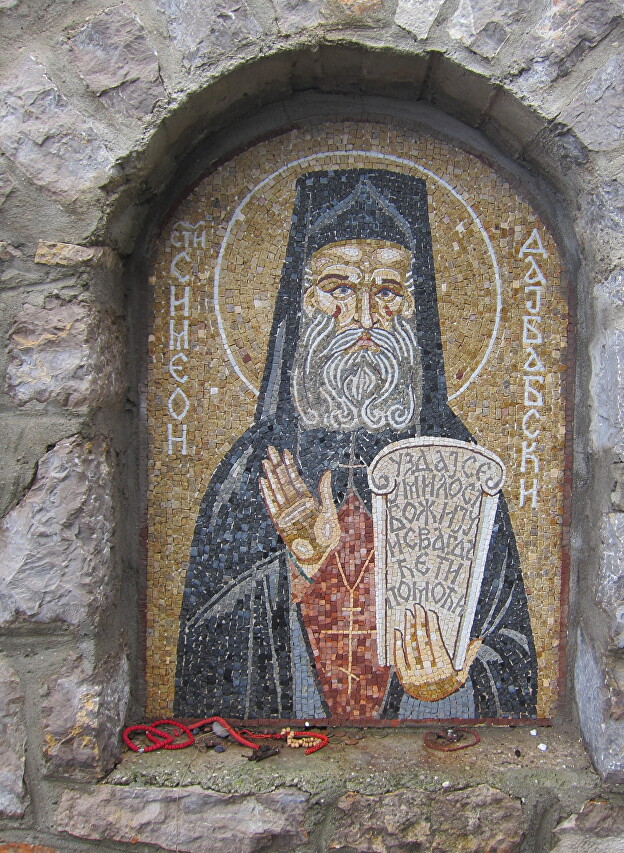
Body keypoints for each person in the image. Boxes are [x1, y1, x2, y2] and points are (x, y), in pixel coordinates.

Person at [173, 168, 537, 721]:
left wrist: (448, 684)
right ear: (302, 302)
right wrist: (301, 564)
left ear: (414, 306)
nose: (365, 316)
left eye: (387, 291)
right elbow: (205, 652)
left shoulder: (459, 465)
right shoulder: (257, 465)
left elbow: (510, 649)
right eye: (340, 288)